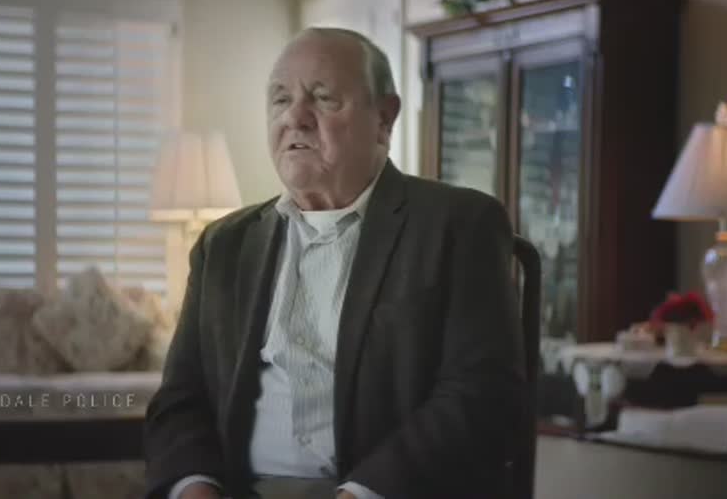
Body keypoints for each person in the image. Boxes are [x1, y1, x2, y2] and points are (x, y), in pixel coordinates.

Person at [143, 27, 527, 499]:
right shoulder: (224, 244)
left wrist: (362, 494)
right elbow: (180, 399)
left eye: (323, 98)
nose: (295, 117)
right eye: (280, 99)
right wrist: (194, 489)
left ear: (384, 119)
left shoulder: (458, 225)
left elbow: (482, 394)